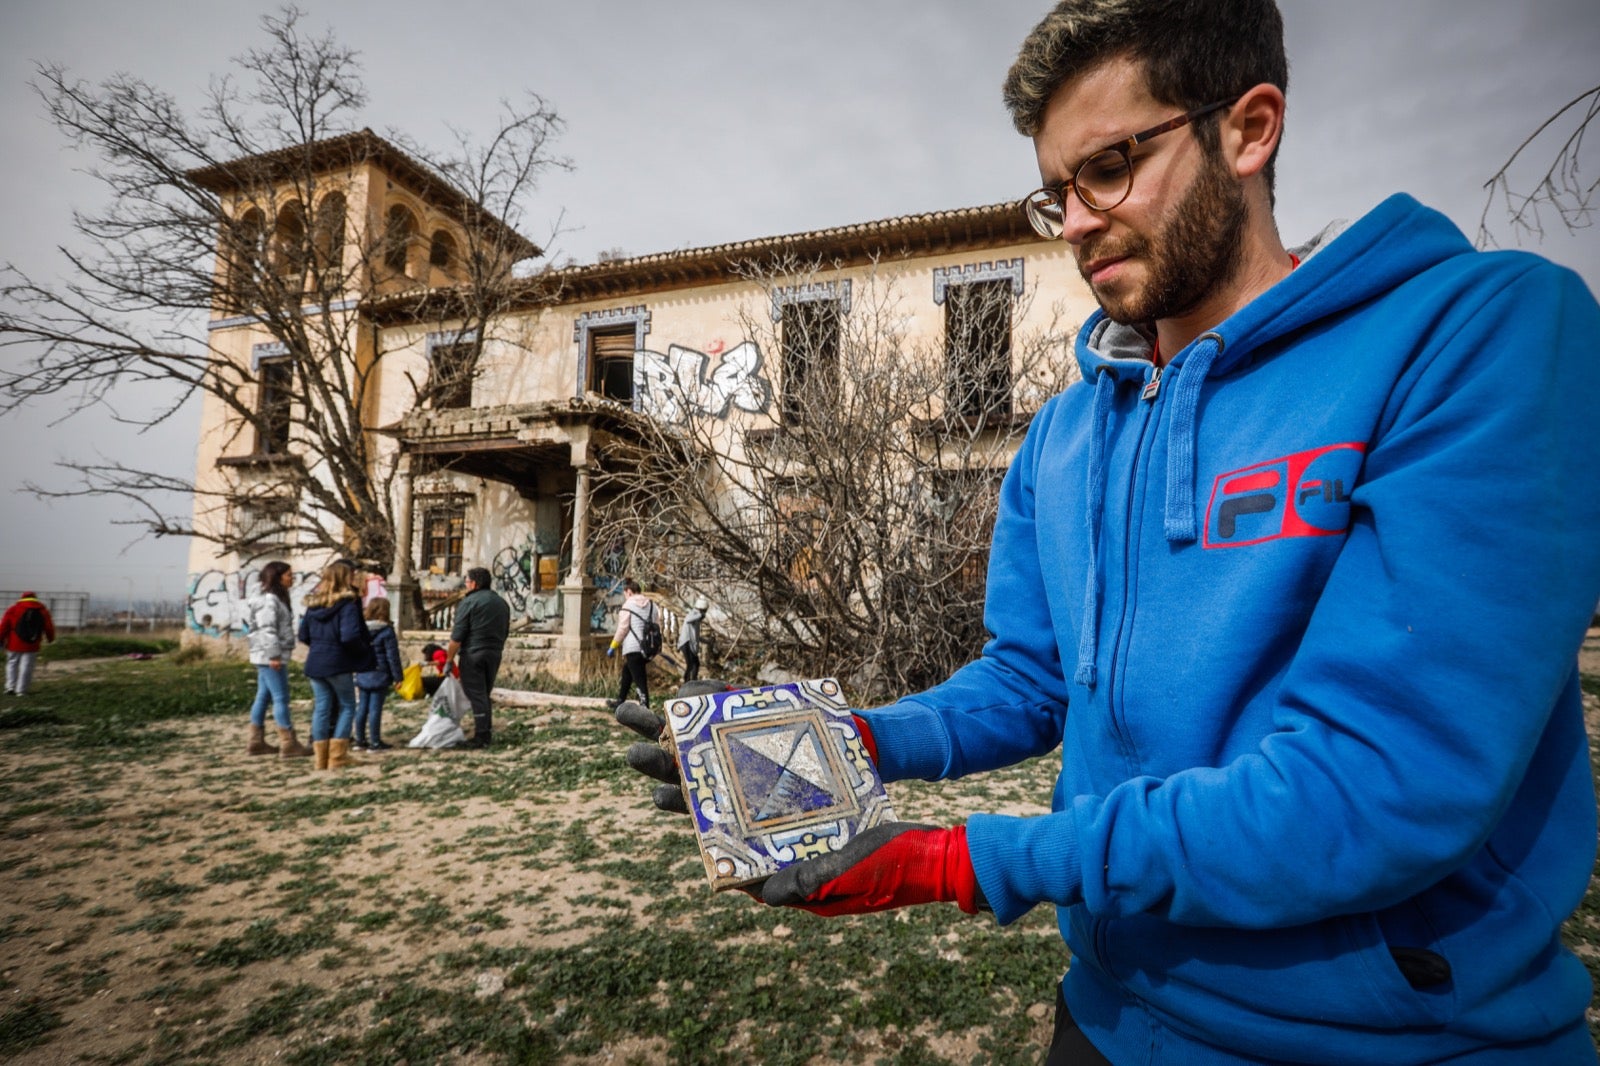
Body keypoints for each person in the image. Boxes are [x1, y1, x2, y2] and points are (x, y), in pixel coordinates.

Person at [623, 2, 1600, 1062]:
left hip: (1390, 1041)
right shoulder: (1063, 433)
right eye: (1057, 193)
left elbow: (1376, 784)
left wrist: (963, 861)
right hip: (1106, 1015)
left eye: (1109, 168)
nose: (1075, 222)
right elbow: (1029, 681)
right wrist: (853, 741)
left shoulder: (1477, 335)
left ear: (1249, 129)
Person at [297, 560, 375, 770]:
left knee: (321, 708)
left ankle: (320, 759)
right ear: (344, 578)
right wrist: (362, 650)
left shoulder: (313, 605)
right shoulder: (348, 605)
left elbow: (303, 635)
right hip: (338, 662)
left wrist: (320, 647)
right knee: (347, 706)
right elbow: (349, 635)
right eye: (351, 575)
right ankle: (337, 757)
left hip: (315, 662)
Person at [243, 561, 312, 758]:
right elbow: (267, 629)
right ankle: (288, 743)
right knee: (281, 698)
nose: (292, 579)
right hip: (270, 656)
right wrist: (274, 655)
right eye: (289, 575)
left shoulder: (271, 598)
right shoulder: (269, 600)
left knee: (263, 696)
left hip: (265, 654)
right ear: (277, 577)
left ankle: (256, 742)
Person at [442, 566, 510, 749]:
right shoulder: (501, 603)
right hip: (494, 653)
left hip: (473, 654)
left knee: (476, 694)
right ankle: (485, 731)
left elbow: (457, 636)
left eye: (467, 582)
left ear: (474, 584)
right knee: (484, 693)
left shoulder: (469, 602)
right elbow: (505, 630)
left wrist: (449, 660)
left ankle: (482, 736)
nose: (465, 585)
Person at [353, 596, 404, 751]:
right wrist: (398, 676)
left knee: (362, 707)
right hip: (380, 672)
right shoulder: (387, 631)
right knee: (375, 708)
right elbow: (392, 656)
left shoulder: (360, 629)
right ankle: (375, 742)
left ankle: (360, 740)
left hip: (363, 670)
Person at [607, 578, 657, 709]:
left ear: (629, 591)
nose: (625, 597)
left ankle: (645, 705)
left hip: (633, 647)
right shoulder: (652, 605)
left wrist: (613, 646)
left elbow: (623, 629)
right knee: (627, 671)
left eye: (625, 594)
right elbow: (657, 624)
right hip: (648, 647)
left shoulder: (628, 605)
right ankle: (620, 700)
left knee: (639, 678)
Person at [1, 591, 55, 697]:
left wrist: (1, 639)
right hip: (32, 643)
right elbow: (49, 626)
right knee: (27, 666)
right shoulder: (42, 610)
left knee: (12, 663)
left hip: (14, 642)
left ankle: (10, 687)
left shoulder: (13, 609)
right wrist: (50, 638)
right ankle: (21, 690)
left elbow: (4, 626)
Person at [677, 597, 708, 683]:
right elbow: (688, 620)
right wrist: (700, 615)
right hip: (686, 642)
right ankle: (687, 682)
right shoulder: (693, 614)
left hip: (690, 643)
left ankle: (693, 681)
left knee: (696, 664)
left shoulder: (696, 619)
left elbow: (696, 636)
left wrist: (707, 641)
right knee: (690, 664)